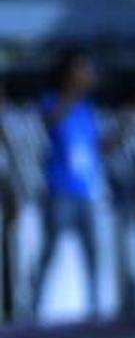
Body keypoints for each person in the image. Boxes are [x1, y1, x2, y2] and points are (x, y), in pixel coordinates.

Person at [31, 52, 110, 321]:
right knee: (50, 251)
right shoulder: (53, 101)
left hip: (85, 192)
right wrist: (75, 90)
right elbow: (50, 120)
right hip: (60, 191)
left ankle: (96, 310)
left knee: (93, 251)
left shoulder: (87, 110)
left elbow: (98, 148)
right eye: (81, 71)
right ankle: (34, 309)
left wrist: (125, 128)